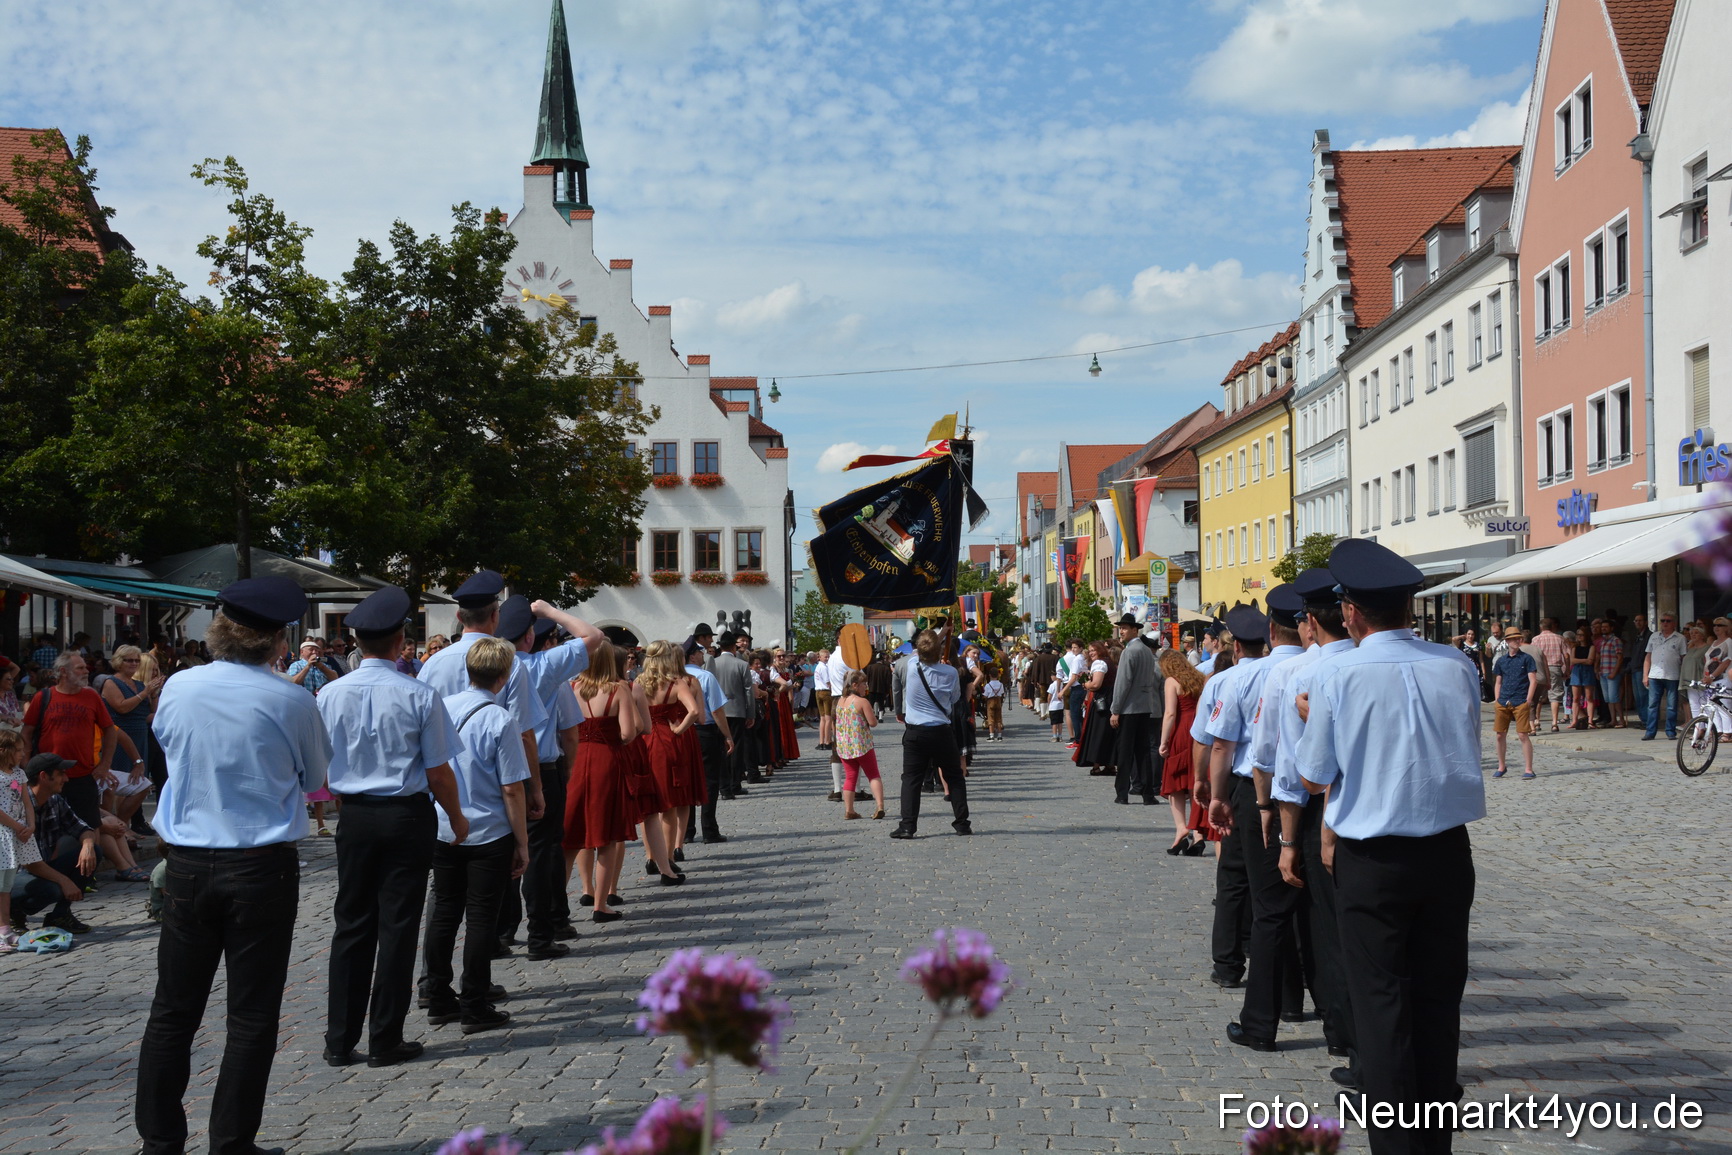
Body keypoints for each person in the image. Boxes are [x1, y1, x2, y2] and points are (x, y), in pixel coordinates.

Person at [1294, 538, 1485, 1155]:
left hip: (1372, 856)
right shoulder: (1455, 663)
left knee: (1381, 1007)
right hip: (1447, 852)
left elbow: (1315, 772)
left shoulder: (1339, 673)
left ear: (1349, 611)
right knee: (1437, 1002)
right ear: (1410, 605)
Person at [137, 577, 333, 1155]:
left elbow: (168, 747)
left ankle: (160, 1142)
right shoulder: (290, 697)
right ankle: (230, 1142)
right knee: (251, 1014)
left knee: (173, 1009)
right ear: (277, 641)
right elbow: (317, 780)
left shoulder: (180, 687)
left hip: (190, 862)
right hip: (260, 864)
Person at [317, 586, 470, 1069]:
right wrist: (458, 816)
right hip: (405, 814)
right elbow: (439, 770)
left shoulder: (328, 693)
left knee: (352, 925)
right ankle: (385, 1036)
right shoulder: (419, 693)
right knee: (398, 925)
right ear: (401, 638)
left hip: (356, 816)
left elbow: (320, 764)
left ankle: (339, 1039)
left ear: (357, 642)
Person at [420, 636, 530, 1036]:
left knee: (445, 909)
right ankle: (474, 1001)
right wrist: (522, 841)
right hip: (488, 830)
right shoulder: (501, 720)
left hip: (446, 825)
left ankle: (435, 990)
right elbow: (512, 788)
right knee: (481, 916)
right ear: (503, 676)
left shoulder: (442, 708)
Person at [1211, 597, 1306, 1054]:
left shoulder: (1246, 676)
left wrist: (1216, 795)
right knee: (1311, 912)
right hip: (1324, 798)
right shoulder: (1319, 666)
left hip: (1261, 791)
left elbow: (1227, 746)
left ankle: (1258, 1014)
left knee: (1262, 900)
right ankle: (1312, 1008)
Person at [419, 571, 548, 888]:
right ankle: (500, 936)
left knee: (445, 896)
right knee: (493, 891)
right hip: (493, 790)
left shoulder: (433, 663)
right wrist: (535, 789)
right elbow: (523, 732)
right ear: (495, 615)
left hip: (445, 788)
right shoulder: (511, 661)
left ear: (458, 616)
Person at [503, 597, 602, 962]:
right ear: (530, 636)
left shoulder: (481, 662)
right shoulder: (542, 665)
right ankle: (540, 934)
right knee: (543, 854)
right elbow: (593, 636)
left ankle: (501, 932)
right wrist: (548, 611)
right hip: (540, 767)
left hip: (490, 767)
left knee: (501, 851)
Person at [564, 639, 643, 921]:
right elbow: (628, 732)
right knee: (607, 835)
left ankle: (559, 904)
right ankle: (600, 904)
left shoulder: (572, 687)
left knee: (572, 833)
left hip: (576, 759)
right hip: (607, 759)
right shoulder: (618, 689)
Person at [21, 651, 121, 833]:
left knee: (91, 827)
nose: (86, 671)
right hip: (48, 777)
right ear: (63, 672)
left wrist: (105, 764)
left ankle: (91, 857)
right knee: (48, 828)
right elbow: (27, 732)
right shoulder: (43, 697)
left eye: (85, 667)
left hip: (83, 775)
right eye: (80, 668)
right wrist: (27, 762)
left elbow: (110, 731)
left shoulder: (91, 697)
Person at [890, 629, 971, 839]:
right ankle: (962, 823)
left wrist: (939, 634)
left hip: (916, 732)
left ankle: (908, 826)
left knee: (911, 780)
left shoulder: (911, 666)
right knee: (954, 777)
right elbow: (954, 700)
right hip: (941, 731)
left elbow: (922, 649)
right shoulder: (951, 672)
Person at [639, 640, 706, 866]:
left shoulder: (638, 682)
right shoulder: (676, 683)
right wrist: (678, 728)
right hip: (667, 741)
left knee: (649, 806)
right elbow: (695, 711)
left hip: (644, 740)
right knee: (668, 805)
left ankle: (650, 856)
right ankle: (666, 859)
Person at [98, 645, 163, 841]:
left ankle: (121, 823)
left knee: (138, 782)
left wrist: (153, 691)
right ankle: (116, 827)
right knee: (117, 784)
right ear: (119, 661)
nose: (133, 664)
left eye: (136, 660)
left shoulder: (140, 685)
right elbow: (122, 707)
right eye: (129, 660)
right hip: (120, 736)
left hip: (140, 736)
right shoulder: (111, 682)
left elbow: (152, 709)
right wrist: (144, 693)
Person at [683, 632, 735, 843]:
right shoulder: (704, 677)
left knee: (687, 781)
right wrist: (728, 735)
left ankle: (686, 830)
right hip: (705, 732)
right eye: (700, 651)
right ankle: (709, 829)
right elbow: (716, 711)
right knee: (709, 780)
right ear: (693, 656)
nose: (704, 654)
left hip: (683, 732)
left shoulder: (674, 678)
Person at [1156, 649, 1206, 855]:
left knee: (1175, 781)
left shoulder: (1171, 681)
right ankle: (1199, 831)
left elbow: (1169, 713)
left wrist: (1163, 741)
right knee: (1196, 780)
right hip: (1198, 728)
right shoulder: (1199, 678)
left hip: (1181, 730)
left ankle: (1181, 827)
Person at [1109, 614, 1162, 806]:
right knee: (1144, 752)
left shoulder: (1129, 652)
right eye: (1120, 628)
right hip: (1145, 707)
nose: (1121, 631)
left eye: (1124, 628)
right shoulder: (1147, 651)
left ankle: (1122, 793)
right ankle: (1148, 793)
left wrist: (1115, 709)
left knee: (1125, 752)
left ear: (1134, 630)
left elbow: (1122, 683)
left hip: (1129, 708)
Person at [835, 672, 886, 820]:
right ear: (855, 685)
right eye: (864, 684)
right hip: (862, 744)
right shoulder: (862, 702)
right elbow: (873, 723)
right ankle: (880, 806)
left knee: (850, 777)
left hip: (845, 746)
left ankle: (849, 810)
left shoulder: (840, 701)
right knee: (873, 775)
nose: (866, 687)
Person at [0, 732, 33, 951]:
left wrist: (31, 825)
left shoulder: (19, 774)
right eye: (19, 750)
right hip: (4, 832)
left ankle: (4, 928)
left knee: (6, 885)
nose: (22, 754)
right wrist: (17, 825)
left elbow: (26, 801)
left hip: (16, 834)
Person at [1491, 630, 1538, 780]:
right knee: (1500, 735)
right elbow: (1498, 682)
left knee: (1523, 734)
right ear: (1507, 641)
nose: (1516, 641)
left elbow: (1533, 680)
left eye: (1518, 638)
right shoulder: (1502, 661)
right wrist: (1497, 699)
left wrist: (1528, 700)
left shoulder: (1527, 659)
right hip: (1503, 700)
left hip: (1520, 701)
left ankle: (1529, 769)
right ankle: (1501, 766)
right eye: (1513, 639)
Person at [1642, 612, 1688, 741]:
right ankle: (1650, 732)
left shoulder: (1680, 638)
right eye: (1663, 621)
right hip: (1655, 675)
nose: (1665, 623)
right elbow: (1648, 656)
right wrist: (1645, 675)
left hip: (1672, 675)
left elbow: (1683, 657)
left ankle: (1670, 731)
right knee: (1652, 705)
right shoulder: (1654, 636)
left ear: (1674, 623)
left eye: (1668, 621)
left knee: (1671, 705)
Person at [1529, 619, 1568, 732]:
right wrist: (1567, 669)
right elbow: (1566, 655)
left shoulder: (1535, 639)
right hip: (1555, 667)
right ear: (1552, 627)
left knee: (1539, 696)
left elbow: (1532, 655)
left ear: (1541, 627)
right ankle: (1554, 723)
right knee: (1555, 695)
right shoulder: (1559, 638)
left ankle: (1536, 721)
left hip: (1540, 669)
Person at [1594, 620, 1628, 729]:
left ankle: (1621, 720)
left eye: (1606, 627)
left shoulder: (1616, 641)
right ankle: (1613, 720)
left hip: (1612, 672)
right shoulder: (1603, 642)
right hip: (1603, 672)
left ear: (1611, 628)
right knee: (1608, 699)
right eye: (1602, 627)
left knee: (1614, 698)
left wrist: (1614, 672)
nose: (1603, 628)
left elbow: (1620, 658)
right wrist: (1598, 670)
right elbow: (1600, 657)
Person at [1567, 621, 1597, 730]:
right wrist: (1584, 660)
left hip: (1587, 671)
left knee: (1589, 697)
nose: (1579, 637)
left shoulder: (1591, 647)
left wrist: (1579, 661)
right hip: (1576, 671)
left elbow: (1590, 661)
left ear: (1586, 636)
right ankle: (1575, 720)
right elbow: (1572, 660)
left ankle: (1590, 720)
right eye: (1577, 635)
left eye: (1581, 635)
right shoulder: (1575, 647)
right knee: (1575, 698)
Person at [1059, 638, 1088, 746]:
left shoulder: (1077, 659)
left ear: (1081, 648)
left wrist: (1063, 690)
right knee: (1078, 714)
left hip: (1076, 688)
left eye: (1076, 647)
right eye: (1072, 647)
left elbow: (1073, 677)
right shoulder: (1082, 658)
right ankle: (1080, 738)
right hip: (1081, 687)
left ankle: (1078, 739)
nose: (1073, 649)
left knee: (1075, 715)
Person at [980, 666, 1006, 741]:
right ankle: (999, 736)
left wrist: (983, 698)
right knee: (998, 719)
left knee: (991, 719)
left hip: (990, 701)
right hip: (998, 701)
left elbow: (985, 695)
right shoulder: (1001, 684)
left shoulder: (988, 685)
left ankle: (991, 736)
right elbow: (1002, 693)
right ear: (998, 675)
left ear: (989, 675)